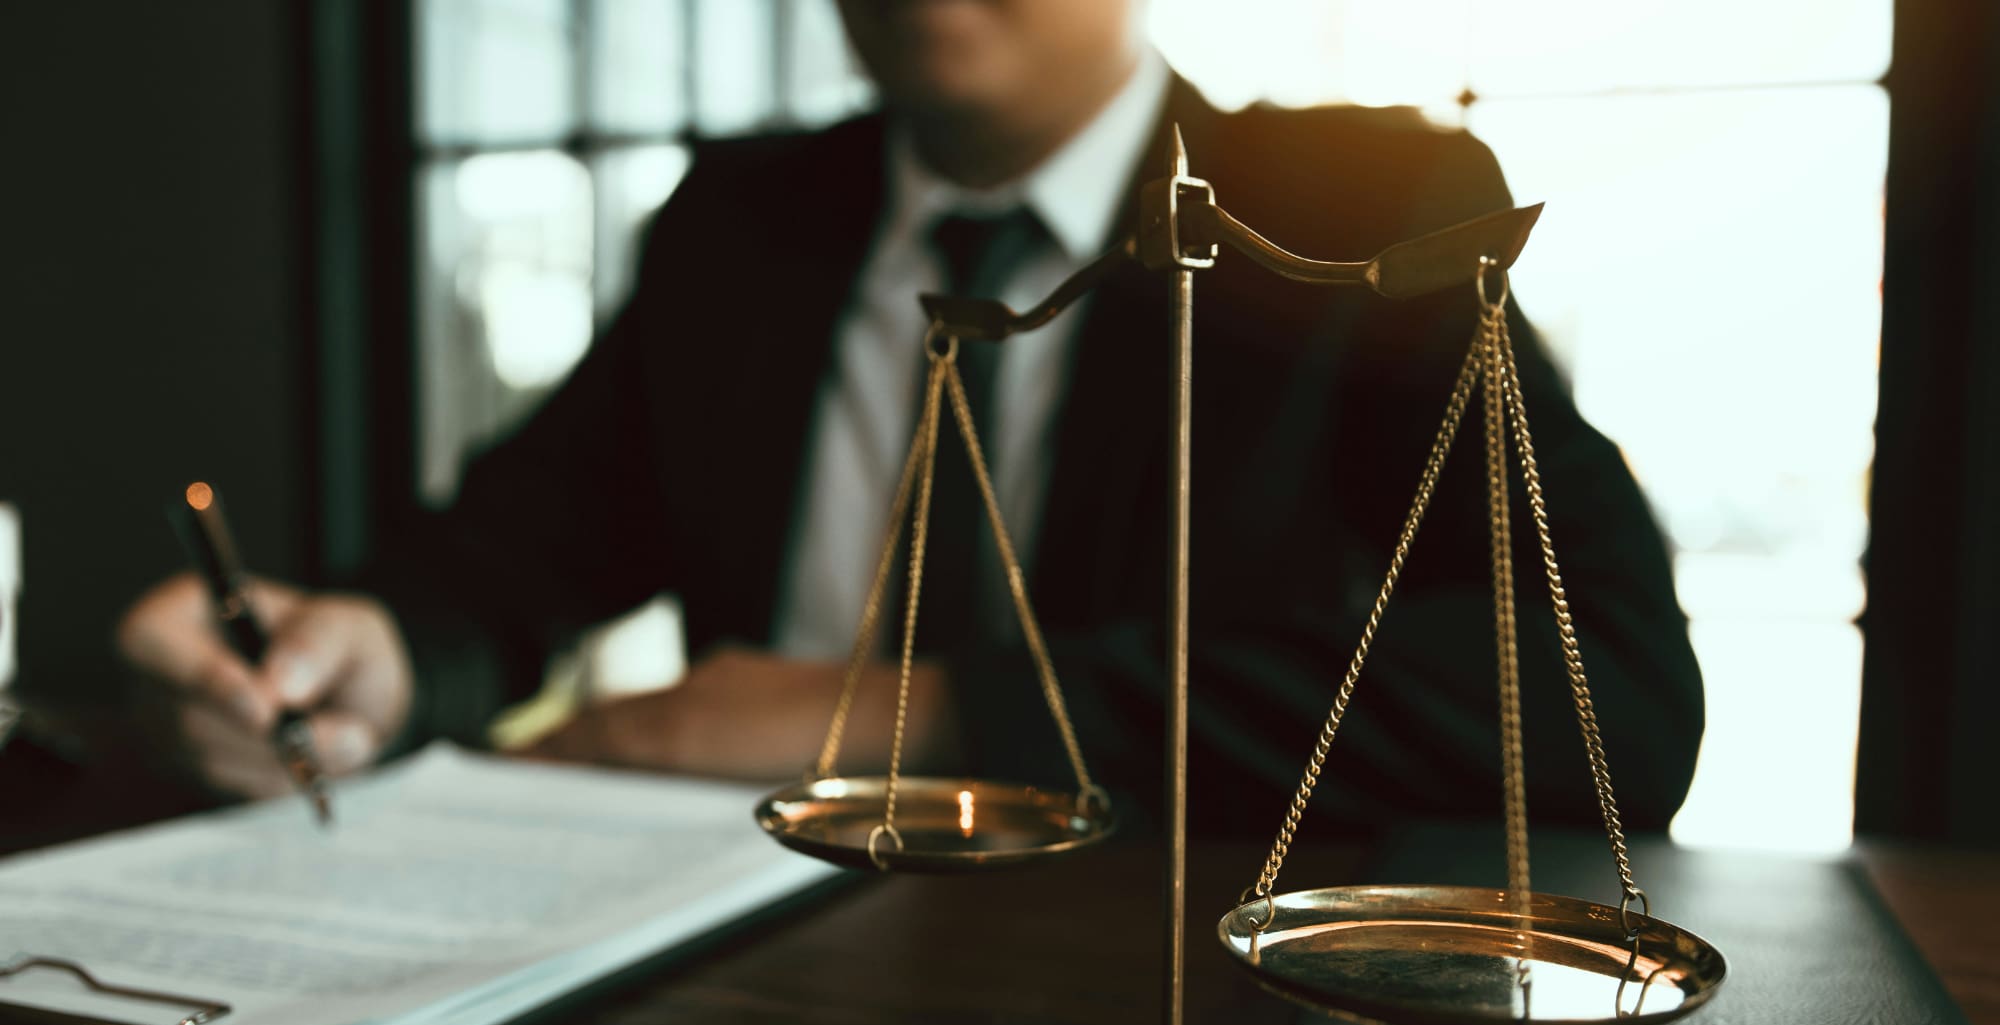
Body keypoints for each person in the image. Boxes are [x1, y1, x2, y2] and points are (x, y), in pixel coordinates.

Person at [118, 0, 1703, 835]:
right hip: (733, 1008)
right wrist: (370, 650)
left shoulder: (1361, 214)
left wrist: (898, 714)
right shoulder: (743, 227)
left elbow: (1604, 692)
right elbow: (514, 551)